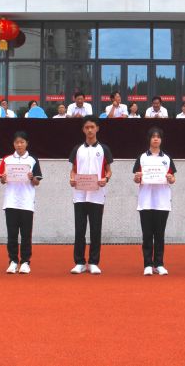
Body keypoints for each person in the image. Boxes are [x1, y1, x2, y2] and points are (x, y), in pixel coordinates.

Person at [69, 117, 113, 274]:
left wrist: (105, 179)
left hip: (97, 195)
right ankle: (79, 262)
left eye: (92, 127)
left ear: (97, 128)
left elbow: (109, 171)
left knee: (95, 229)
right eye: (87, 127)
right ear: (83, 129)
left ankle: (94, 262)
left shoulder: (104, 149)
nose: (89, 130)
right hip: (79, 195)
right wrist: (72, 179)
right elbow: (73, 170)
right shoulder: (77, 149)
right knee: (79, 230)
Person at [132, 127, 177, 276]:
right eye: (153, 137)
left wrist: (171, 178)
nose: (156, 139)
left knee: (159, 234)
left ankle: (159, 264)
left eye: (158, 137)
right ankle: (147, 264)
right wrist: (137, 178)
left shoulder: (167, 158)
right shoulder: (142, 157)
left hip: (162, 202)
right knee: (147, 234)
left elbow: (172, 178)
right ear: (149, 139)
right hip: (145, 201)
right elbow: (136, 178)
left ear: (161, 140)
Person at [0, 131, 43, 274]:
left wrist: (32, 177)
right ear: (13, 144)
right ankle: (12, 261)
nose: (19, 145)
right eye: (17, 142)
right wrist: (3, 178)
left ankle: (25, 262)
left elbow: (37, 182)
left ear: (26, 143)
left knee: (26, 235)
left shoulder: (33, 160)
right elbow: (2, 180)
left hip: (26, 202)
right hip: (10, 202)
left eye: (22, 142)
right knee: (12, 234)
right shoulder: (7, 159)